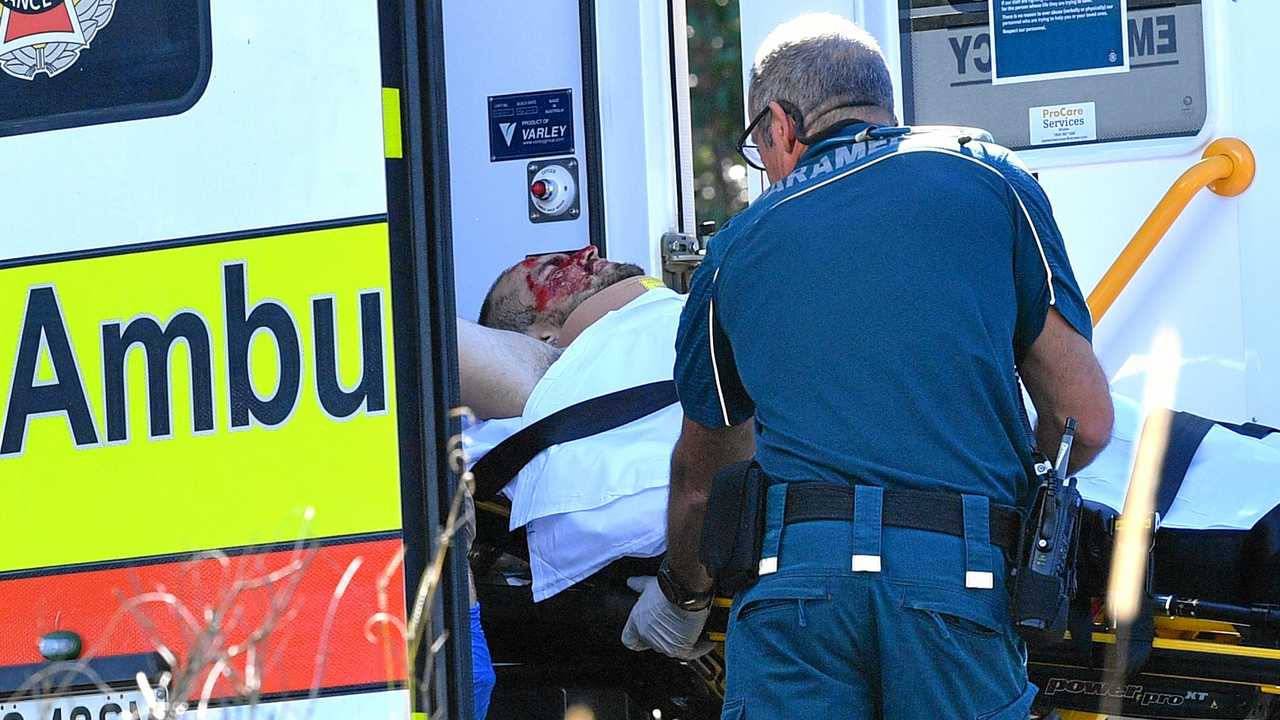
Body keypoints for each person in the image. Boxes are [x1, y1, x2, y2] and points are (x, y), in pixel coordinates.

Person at [619, 13, 1114, 718]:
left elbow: (703, 484)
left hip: (798, 599)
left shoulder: (734, 252)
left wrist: (682, 596)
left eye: (761, 147)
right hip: (957, 585)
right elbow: (1085, 422)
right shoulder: (993, 183)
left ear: (782, 125)